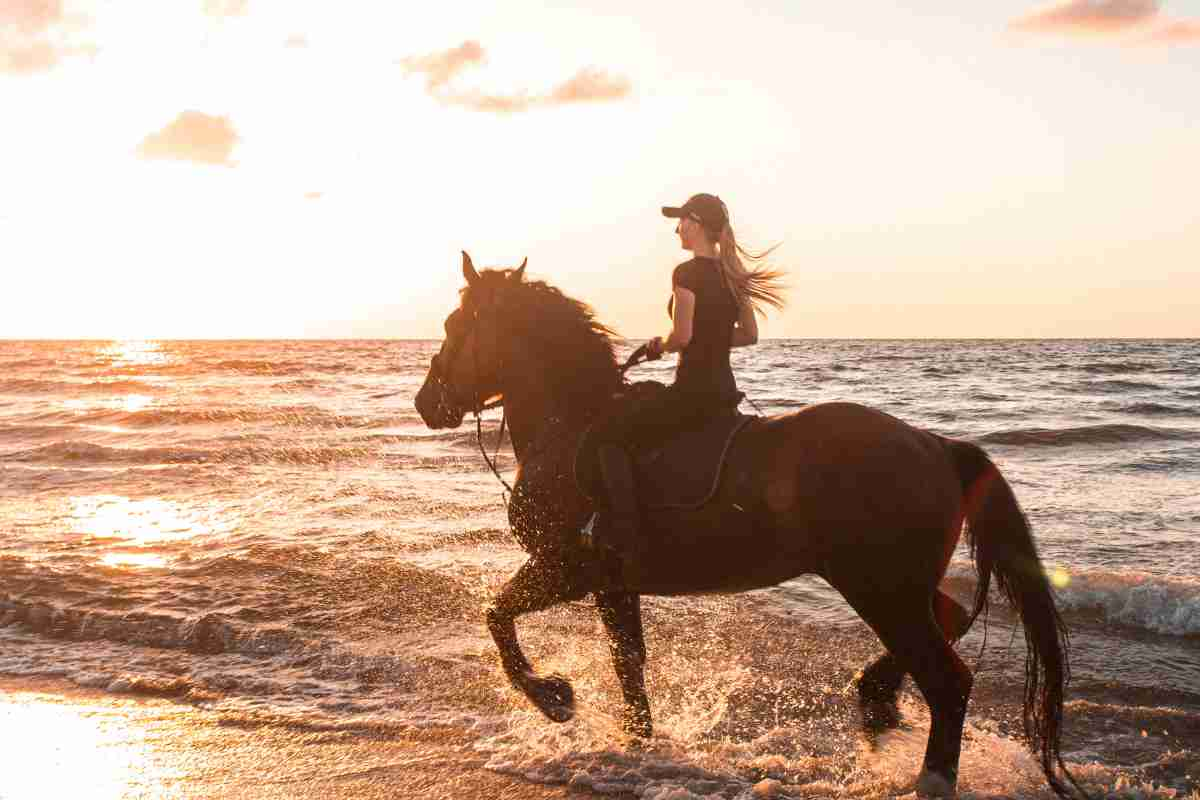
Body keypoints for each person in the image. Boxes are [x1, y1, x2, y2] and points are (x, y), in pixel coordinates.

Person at [589, 192, 786, 587]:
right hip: (724, 394)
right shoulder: (735, 275)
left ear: (694, 224)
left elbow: (681, 335)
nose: (677, 229)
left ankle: (625, 537)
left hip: (692, 393)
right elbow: (748, 335)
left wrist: (658, 345)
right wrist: (710, 339)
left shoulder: (686, 273)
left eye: (680, 222)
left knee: (609, 438)